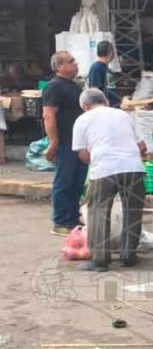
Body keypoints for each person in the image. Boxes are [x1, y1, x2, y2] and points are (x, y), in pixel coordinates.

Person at [71, 88, 147, 271]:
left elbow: (83, 155)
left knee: (98, 211)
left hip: (104, 170)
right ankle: (128, 254)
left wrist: (98, 160)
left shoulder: (82, 120)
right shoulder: (123, 115)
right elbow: (142, 146)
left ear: (84, 106)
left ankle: (100, 259)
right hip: (134, 168)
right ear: (105, 100)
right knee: (133, 211)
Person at [42, 51, 87, 236]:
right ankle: (60, 221)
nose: (75, 64)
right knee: (64, 182)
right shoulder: (54, 87)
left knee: (77, 182)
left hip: (78, 143)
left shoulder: (73, 86)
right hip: (65, 142)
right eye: (71, 62)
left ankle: (73, 218)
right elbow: (48, 115)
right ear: (59, 67)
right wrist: (53, 141)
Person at [88, 40, 120, 107]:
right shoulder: (96, 68)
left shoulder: (107, 68)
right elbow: (94, 90)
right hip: (105, 107)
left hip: (113, 105)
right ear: (109, 52)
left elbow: (111, 87)